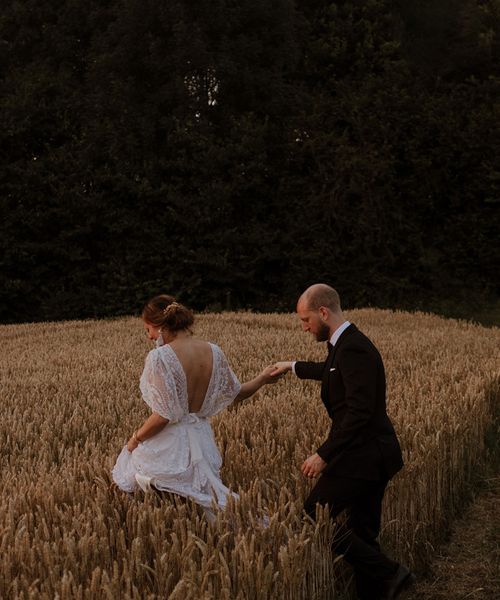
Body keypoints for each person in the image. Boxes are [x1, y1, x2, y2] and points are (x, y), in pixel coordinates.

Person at [270, 284, 415, 600]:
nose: (304, 327)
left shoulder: (353, 347)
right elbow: (332, 371)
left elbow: (360, 411)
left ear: (323, 312)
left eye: (306, 319)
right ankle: (377, 591)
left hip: (364, 455)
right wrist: (292, 366)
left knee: (313, 515)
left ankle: (391, 572)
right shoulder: (345, 345)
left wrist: (324, 454)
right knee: (363, 531)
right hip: (370, 454)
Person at [112, 294, 277, 517]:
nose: (149, 337)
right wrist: (263, 378)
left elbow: (163, 416)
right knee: (200, 505)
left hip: (171, 447)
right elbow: (237, 394)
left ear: (161, 327)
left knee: (132, 474)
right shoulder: (214, 352)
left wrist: (135, 439)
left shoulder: (159, 357)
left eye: (148, 329)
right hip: (202, 440)